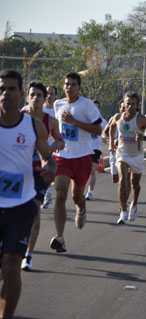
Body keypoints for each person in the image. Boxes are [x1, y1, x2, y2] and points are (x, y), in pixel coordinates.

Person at [0, 69, 56, 319]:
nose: (5, 94)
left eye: (11, 89)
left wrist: (49, 169)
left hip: (21, 207)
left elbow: (48, 158)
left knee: (12, 267)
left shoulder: (33, 127)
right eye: (1, 89)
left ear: (20, 94)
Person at [50, 73, 102, 253]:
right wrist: (54, 140)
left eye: (73, 84)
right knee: (60, 193)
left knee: (77, 197)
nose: (69, 87)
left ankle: (81, 209)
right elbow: (55, 128)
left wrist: (74, 122)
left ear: (79, 87)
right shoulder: (58, 104)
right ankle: (60, 237)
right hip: (63, 156)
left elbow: (98, 128)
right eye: (66, 84)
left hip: (82, 157)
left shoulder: (86, 105)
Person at [20, 81, 64, 271]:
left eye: (40, 95)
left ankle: (28, 256)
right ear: (27, 97)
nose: (36, 98)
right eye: (33, 95)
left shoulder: (50, 121)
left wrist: (55, 145)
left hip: (39, 172)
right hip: (18, 171)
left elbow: (61, 140)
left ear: (45, 98)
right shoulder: (17, 117)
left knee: (34, 214)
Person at [109, 92, 146, 224]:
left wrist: (144, 138)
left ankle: (134, 204)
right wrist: (111, 144)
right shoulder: (117, 117)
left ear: (137, 105)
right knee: (122, 180)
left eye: (133, 104)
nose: (130, 106)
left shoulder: (141, 119)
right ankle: (123, 212)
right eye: (127, 103)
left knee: (134, 184)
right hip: (122, 154)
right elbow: (111, 128)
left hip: (136, 155)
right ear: (123, 104)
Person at [85, 99, 107, 200]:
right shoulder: (85, 119)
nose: (95, 108)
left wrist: (104, 137)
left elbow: (105, 133)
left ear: (99, 109)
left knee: (92, 171)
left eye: (97, 107)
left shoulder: (103, 121)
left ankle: (90, 192)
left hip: (95, 148)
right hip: (84, 147)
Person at [40, 86, 57, 209]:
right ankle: (47, 193)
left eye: (52, 94)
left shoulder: (58, 110)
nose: (49, 96)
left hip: (55, 147)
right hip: (40, 146)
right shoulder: (40, 109)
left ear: (55, 95)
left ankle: (47, 192)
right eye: (47, 93)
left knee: (49, 172)